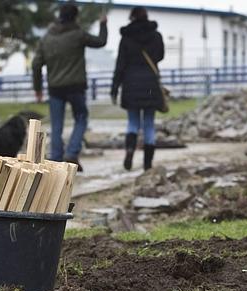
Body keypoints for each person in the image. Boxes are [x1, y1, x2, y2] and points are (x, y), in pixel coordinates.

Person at [32, 3, 108, 171]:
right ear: (75, 17)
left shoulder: (47, 38)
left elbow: (36, 64)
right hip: (76, 87)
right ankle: (72, 153)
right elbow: (100, 42)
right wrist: (103, 24)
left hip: (55, 88)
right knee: (81, 118)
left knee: (56, 125)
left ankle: (56, 159)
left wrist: (37, 89)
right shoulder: (78, 35)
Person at [111, 6, 164, 171]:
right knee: (149, 124)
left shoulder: (126, 38)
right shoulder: (155, 36)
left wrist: (114, 88)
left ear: (131, 17)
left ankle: (129, 151)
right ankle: (147, 164)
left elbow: (120, 65)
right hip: (150, 84)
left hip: (131, 85)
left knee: (132, 122)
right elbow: (160, 56)